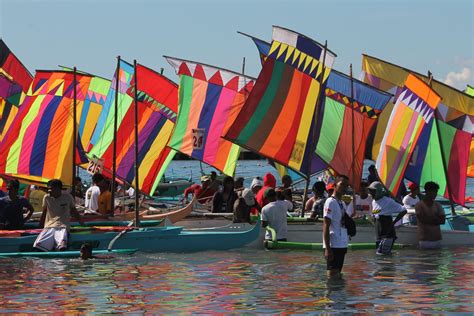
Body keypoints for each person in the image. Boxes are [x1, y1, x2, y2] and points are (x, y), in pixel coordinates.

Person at [33, 179, 83, 251]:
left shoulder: (68, 197)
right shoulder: (46, 197)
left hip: (62, 227)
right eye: (48, 189)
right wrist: (39, 227)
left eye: (51, 189)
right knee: (38, 246)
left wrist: (82, 224)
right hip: (49, 227)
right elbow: (44, 213)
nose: (49, 191)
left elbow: (74, 212)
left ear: (58, 189)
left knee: (62, 247)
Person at [368, 181, 407, 255]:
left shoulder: (388, 201)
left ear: (378, 191)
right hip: (379, 235)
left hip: (387, 235)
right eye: (370, 191)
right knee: (381, 258)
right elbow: (376, 215)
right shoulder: (374, 201)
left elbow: (404, 210)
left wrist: (394, 222)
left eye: (372, 191)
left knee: (382, 256)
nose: (370, 193)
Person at [323, 175, 350, 277]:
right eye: (342, 184)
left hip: (341, 243)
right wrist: (327, 248)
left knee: (338, 274)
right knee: (331, 275)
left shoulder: (342, 203)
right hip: (333, 244)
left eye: (347, 186)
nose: (345, 188)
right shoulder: (330, 202)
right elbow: (326, 225)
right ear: (334, 185)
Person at [415, 181, 445, 249]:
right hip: (425, 240)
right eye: (434, 192)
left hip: (437, 239)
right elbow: (423, 220)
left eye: (436, 192)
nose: (436, 194)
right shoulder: (419, 205)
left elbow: (443, 221)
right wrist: (436, 219)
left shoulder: (438, 205)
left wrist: (430, 219)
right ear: (427, 191)